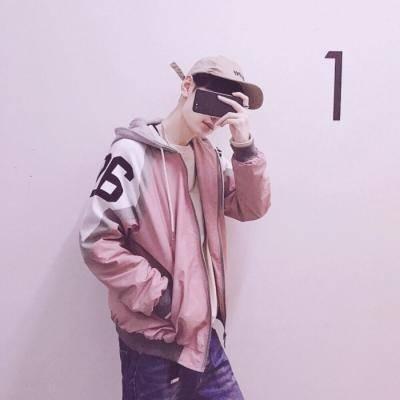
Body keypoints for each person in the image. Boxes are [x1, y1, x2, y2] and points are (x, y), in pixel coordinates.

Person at [78, 54, 271, 399]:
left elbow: (251, 206)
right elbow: (96, 240)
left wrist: (244, 146)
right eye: (211, 100)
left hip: (203, 337)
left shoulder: (211, 158)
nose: (216, 117)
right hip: (153, 344)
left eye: (227, 106)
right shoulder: (133, 154)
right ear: (187, 86)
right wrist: (164, 300)